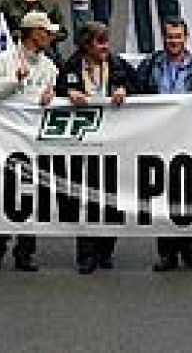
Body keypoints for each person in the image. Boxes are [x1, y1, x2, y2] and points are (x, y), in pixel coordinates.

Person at [0, 9, 63, 270]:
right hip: (4, 140)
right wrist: (13, 81)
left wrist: (54, 98)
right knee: (6, 195)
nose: (50, 36)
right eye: (46, 32)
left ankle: (25, 251)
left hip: (36, 142)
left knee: (33, 196)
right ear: (34, 33)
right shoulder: (2, 61)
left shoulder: (50, 67)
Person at [57, 22, 141, 273]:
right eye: (100, 42)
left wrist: (126, 90)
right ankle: (86, 254)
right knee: (87, 201)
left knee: (113, 202)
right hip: (83, 145)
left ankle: (106, 251)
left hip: (114, 144)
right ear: (86, 45)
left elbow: (142, 87)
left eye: (107, 41)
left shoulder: (117, 65)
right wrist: (67, 94)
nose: (106, 47)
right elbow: (56, 90)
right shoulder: (71, 67)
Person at [137, 17, 192, 270]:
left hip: (191, 141)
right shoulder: (151, 65)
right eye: (169, 37)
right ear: (164, 39)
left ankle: (186, 244)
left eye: (178, 37)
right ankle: (167, 253)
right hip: (159, 141)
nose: (173, 41)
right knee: (162, 196)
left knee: (189, 195)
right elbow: (135, 91)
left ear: (186, 38)